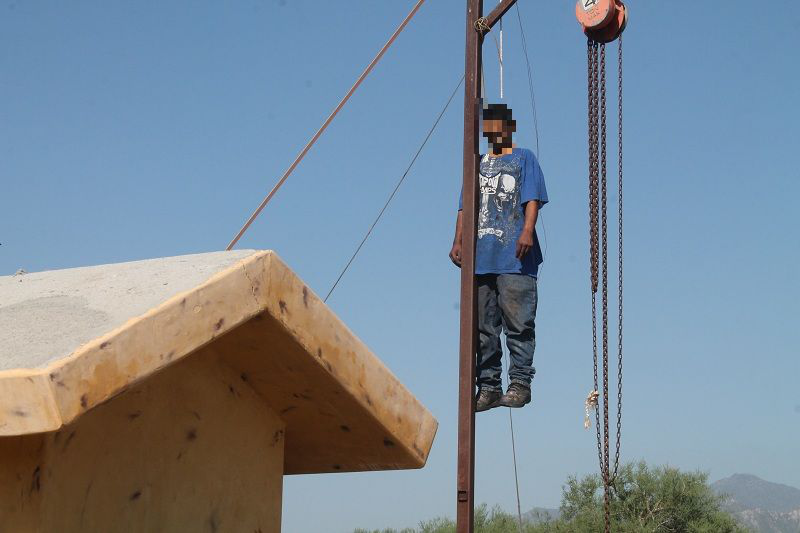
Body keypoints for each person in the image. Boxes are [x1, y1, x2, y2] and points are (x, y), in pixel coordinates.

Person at [449, 103, 548, 412]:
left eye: (495, 125)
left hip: (514, 258)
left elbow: (532, 197)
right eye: (486, 126)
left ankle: (519, 383)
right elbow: (465, 206)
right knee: (482, 326)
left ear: (507, 127)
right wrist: (458, 241)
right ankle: (488, 386)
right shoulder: (477, 163)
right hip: (481, 259)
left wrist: (527, 230)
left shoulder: (523, 158)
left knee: (518, 323)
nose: (490, 131)